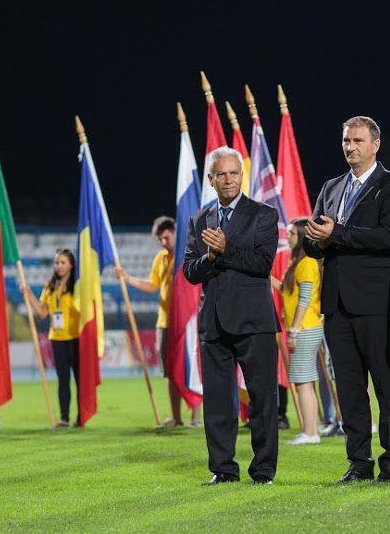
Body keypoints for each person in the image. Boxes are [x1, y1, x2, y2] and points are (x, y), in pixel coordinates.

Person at [303, 116, 390, 484]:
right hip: (335, 305)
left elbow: (387, 237)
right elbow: (310, 241)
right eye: (346, 140)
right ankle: (358, 464)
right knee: (349, 390)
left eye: (358, 140)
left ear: (375, 144)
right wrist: (316, 238)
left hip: (376, 304)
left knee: (386, 386)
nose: (350, 146)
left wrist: (338, 234)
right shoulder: (331, 186)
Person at [183, 147, 280, 485]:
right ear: (210, 179)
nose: (228, 179)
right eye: (221, 174)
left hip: (255, 323)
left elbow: (262, 264)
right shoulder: (199, 219)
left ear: (242, 175)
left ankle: (264, 470)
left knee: (263, 400)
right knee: (218, 405)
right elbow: (190, 272)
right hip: (214, 325)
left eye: (234, 173)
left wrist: (224, 250)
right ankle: (223, 470)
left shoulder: (264, 214)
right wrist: (210, 258)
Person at [115, 215, 202, 429]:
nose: (163, 243)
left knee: (191, 366)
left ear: (175, 233)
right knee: (169, 371)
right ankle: (176, 417)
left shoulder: (188, 255)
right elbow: (153, 285)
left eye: (166, 238)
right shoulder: (160, 259)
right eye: (160, 240)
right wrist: (129, 279)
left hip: (187, 320)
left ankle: (195, 417)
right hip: (164, 322)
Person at [271, 218, 323, 445]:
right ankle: (310, 431)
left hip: (304, 328)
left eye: (291, 233)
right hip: (303, 327)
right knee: (306, 382)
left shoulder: (307, 263)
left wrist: (293, 330)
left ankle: (310, 433)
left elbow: (304, 298)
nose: (288, 237)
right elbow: (286, 290)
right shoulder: (298, 262)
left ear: (301, 236)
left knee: (303, 382)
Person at [30, 249, 81, 428]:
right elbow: (43, 313)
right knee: (63, 379)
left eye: (63, 263)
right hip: (57, 337)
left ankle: (82, 417)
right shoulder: (49, 286)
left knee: (79, 379)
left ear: (71, 265)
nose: (58, 266)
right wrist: (28, 295)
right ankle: (64, 418)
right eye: (56, 262)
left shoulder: (78, 286)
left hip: (75, 337)